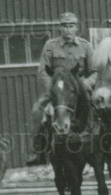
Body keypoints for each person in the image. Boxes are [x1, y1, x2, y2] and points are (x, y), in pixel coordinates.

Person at [29, 11, 94, 164]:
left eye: (71, 26)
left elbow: (95, 71)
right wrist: (53, 89)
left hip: (79, 90)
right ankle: (38, 148)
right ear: (60, 28)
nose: (67, 30)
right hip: (58, 90)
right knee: (37, 109)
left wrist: (86, 84)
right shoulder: (50, 46)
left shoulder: (86, 46)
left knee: (105, 106)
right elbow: (43, 71)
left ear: (76, 27)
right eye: (64, 26)